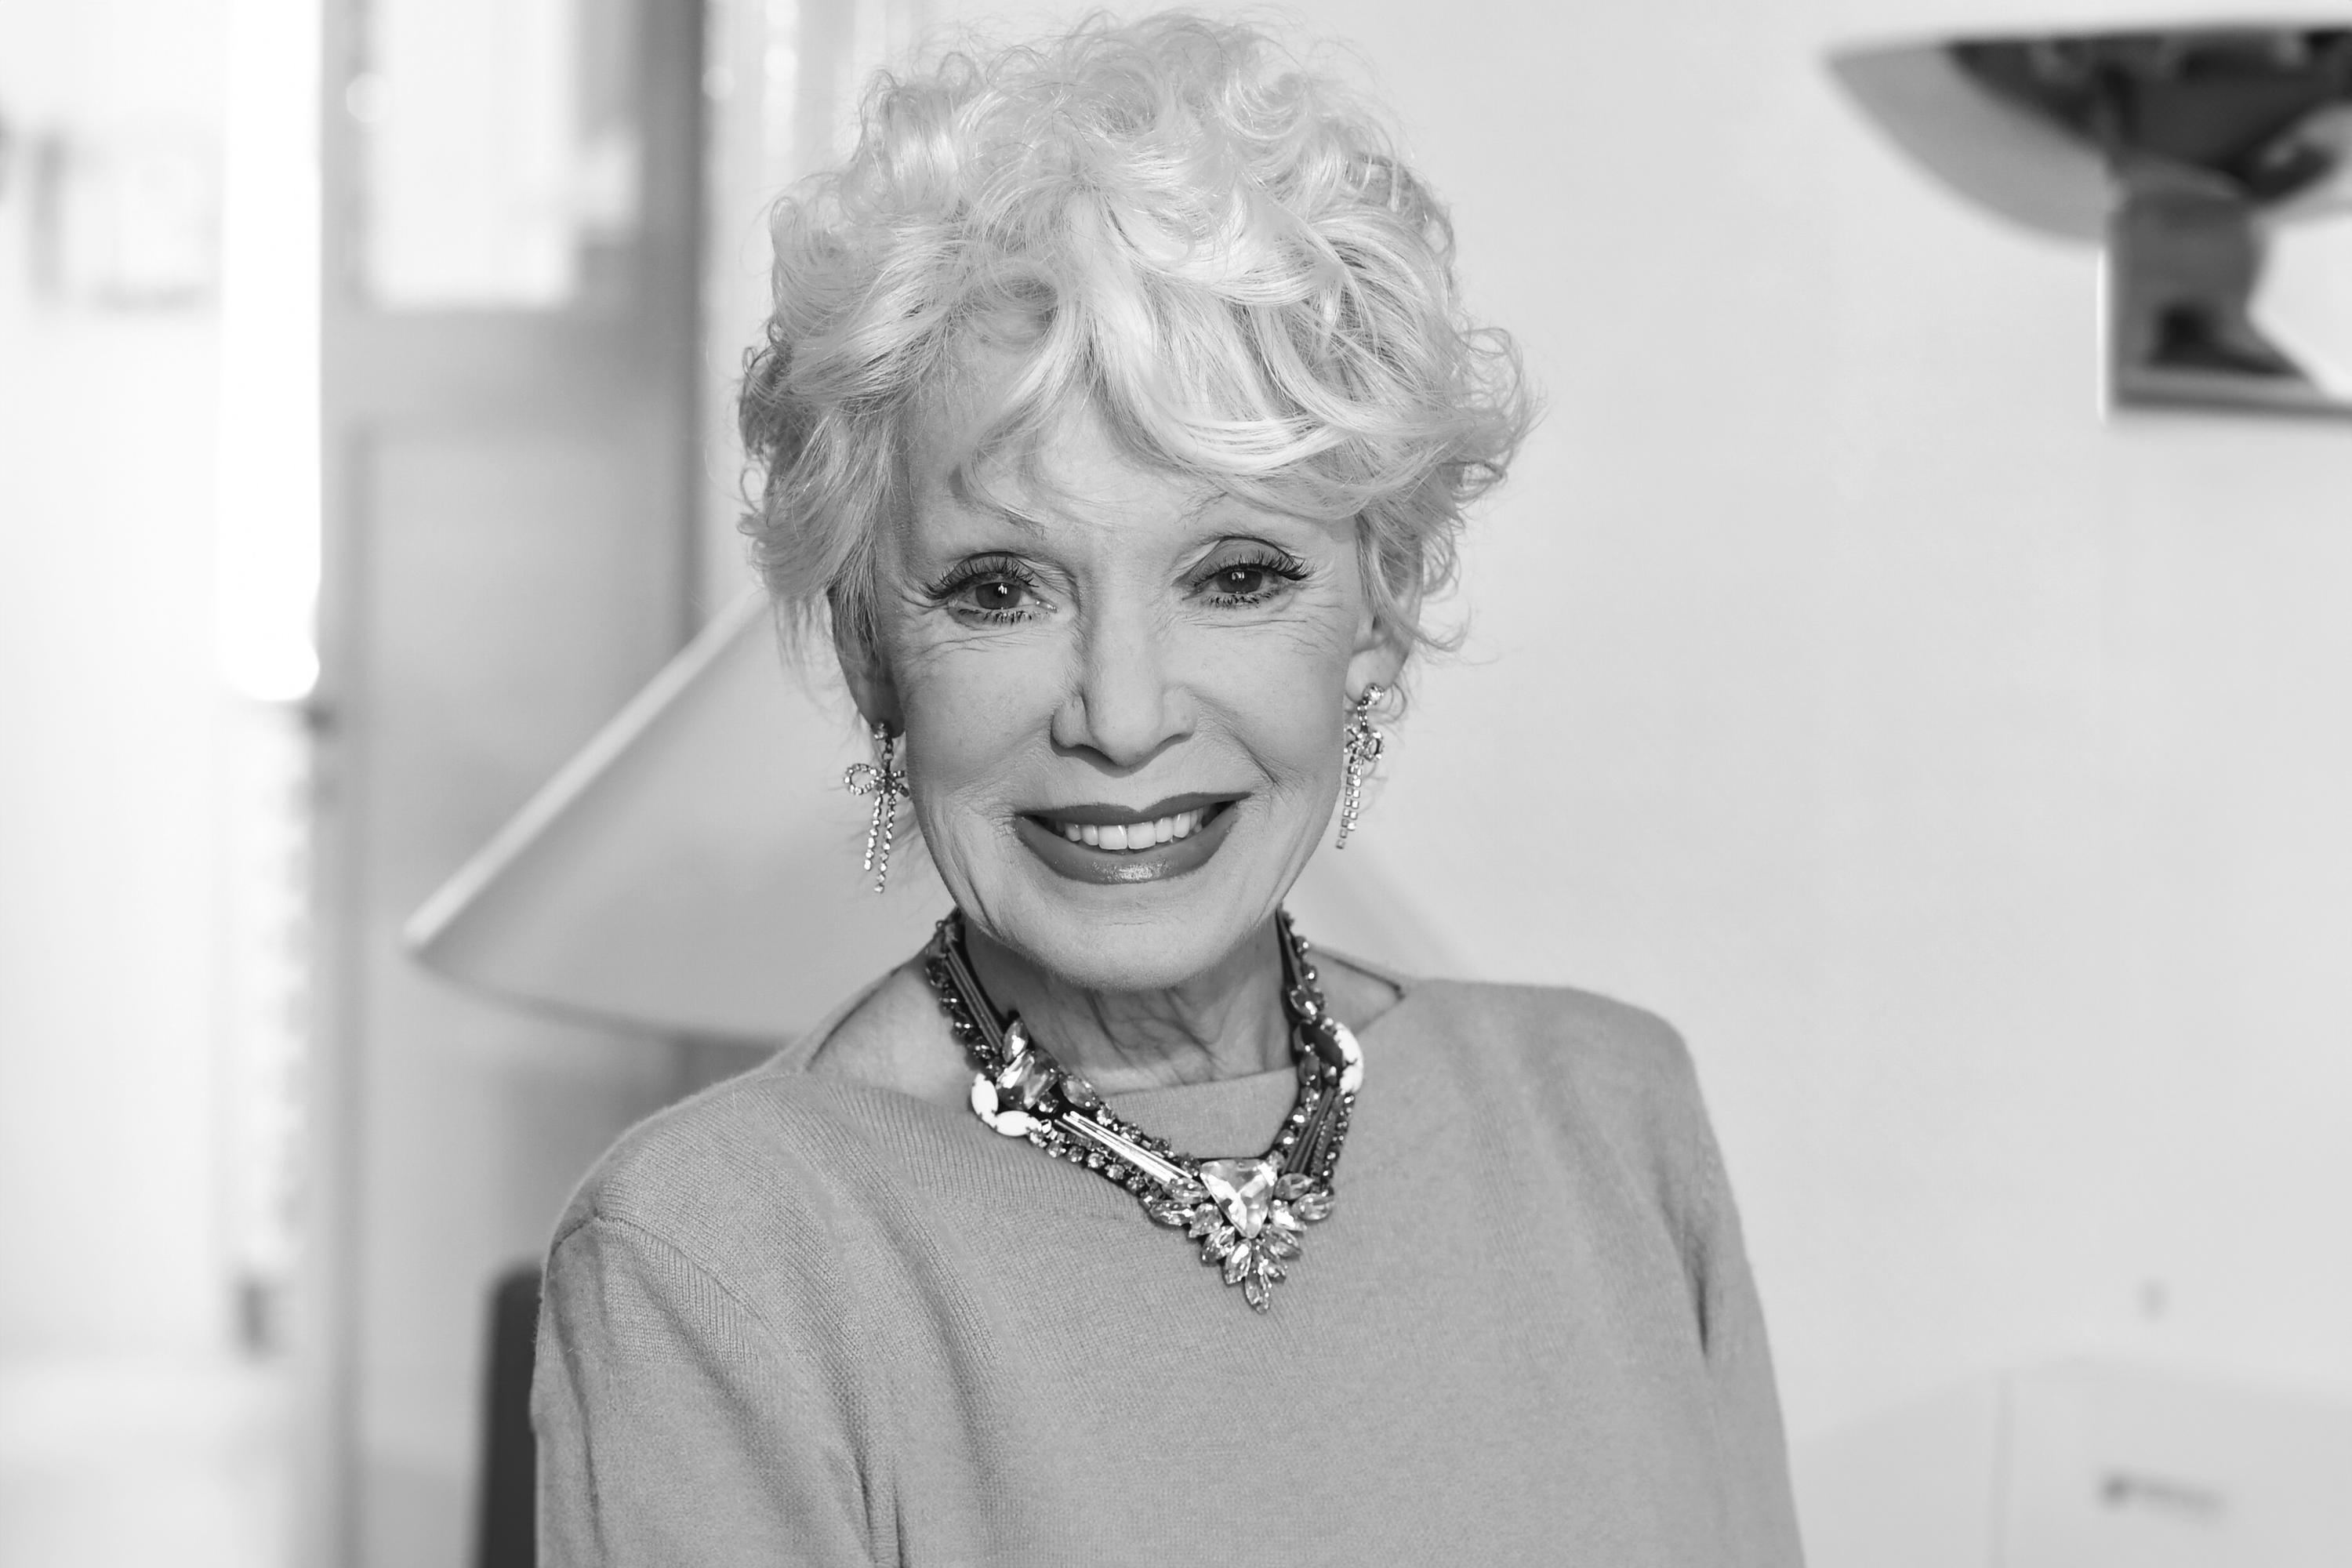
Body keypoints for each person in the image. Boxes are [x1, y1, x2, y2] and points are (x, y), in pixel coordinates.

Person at [534, 12, 1803, 1564]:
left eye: (1236, 574)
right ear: (870, 648)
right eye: (1001, 589)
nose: (1123, 718)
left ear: (1381, 602)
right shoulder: (715, 1259)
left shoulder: (1611, 1122)